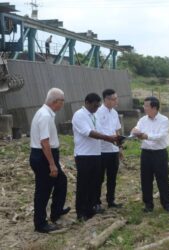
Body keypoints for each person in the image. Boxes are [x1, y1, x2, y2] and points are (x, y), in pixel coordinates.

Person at [72, 93, 119, 221]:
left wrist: (114, 138)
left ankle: (90, 208)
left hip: (96, 154)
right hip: (84, 155)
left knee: (94, 183)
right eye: (94, 105)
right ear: (87, 102)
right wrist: (108, 138)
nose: (96, 108)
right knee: (83, 184)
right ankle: (81, 212)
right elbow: (88, 132)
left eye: (98, 106)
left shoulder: (94, 115)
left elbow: (100, 131)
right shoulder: (79, 115)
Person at [29, 88, 70, 233]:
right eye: (62, 101)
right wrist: (52, 164)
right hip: (43, 156)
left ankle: (56, 211)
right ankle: (40, 223)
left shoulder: (46, 113)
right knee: (43, 191)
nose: (62, 104)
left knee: (61, 181)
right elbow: (44, 142)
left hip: (45, 155)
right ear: (54, 102)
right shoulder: (45, 115)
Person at [131, 96, 169, 213]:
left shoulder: (164, 120)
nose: (144, 108)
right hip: (146, 153)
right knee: (145, 179)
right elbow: (135, 129)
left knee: (163, 179)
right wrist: (134, 131)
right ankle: (148, 205)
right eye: (144, 105)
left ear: (154, 108)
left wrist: (146, 136)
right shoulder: (143, 120)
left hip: (160, 153)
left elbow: (161, 135)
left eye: (146, 106)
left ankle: (167, 204)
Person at [95, 89, 123, 209]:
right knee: (99, 178)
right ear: (106, 99)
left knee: (112, 177)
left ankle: (111, 200)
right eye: (113, 99)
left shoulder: (114, 113)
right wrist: (110, 138)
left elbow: (117, 130)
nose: (116, 101)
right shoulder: (98, 113)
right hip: (102, 150)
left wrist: (120, 147)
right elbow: (97, 131)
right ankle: (96, 202)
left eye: (117, 98)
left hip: (113, 150)